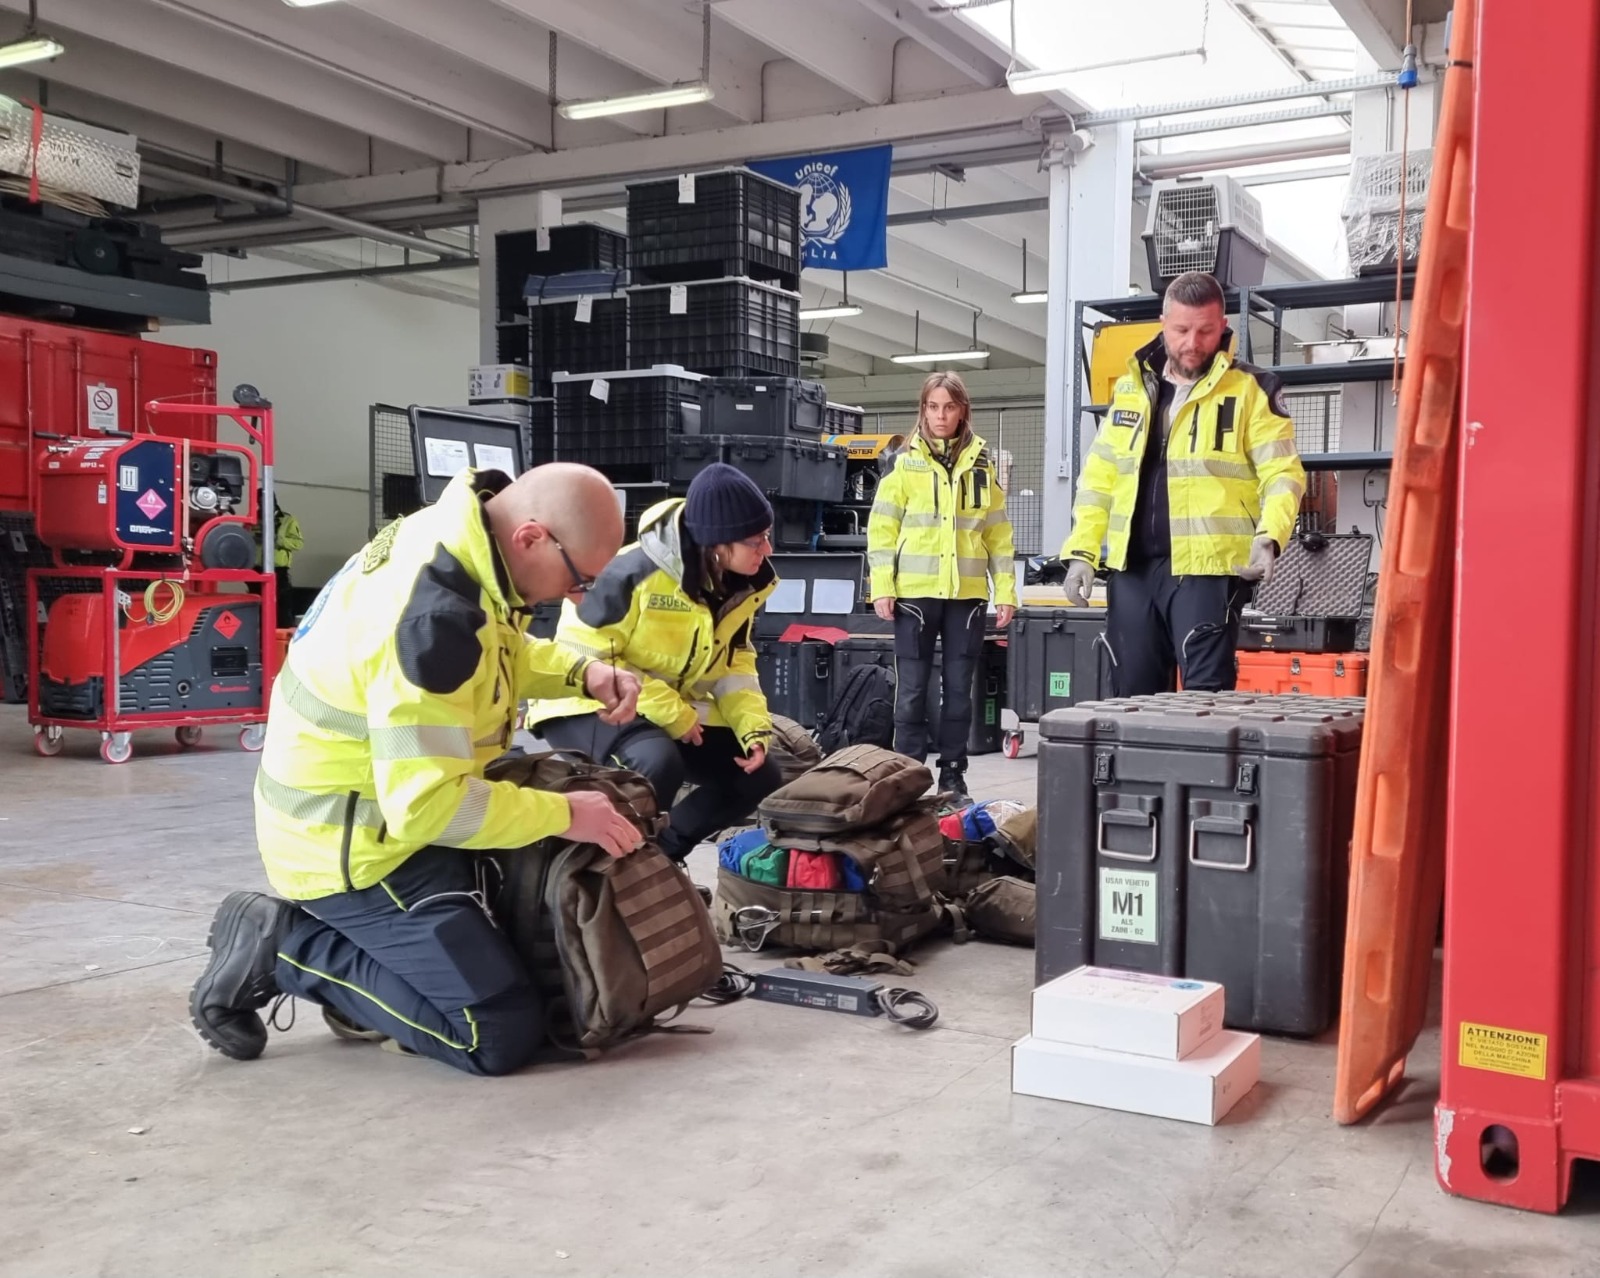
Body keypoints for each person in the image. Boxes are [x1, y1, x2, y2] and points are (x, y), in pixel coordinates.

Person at [189, 463, 645, 1077]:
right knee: (498, 1032)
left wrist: (578, 672)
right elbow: (429, 806)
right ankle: (285, 947)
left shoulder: (463, 542)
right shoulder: (434, 619)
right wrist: (564, 814)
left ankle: (379, 986)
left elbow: (496, 648)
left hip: (386, 817)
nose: (576, 597)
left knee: (544, 973)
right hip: (357, 852)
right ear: (532, 536)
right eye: (578, 579)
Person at [1060, 271, 1306, 696]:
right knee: (1131, 698)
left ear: (1223, 327)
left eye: (1206, 331)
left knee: (1205, 701)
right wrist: (1081, 552)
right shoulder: (1131, 389)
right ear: (1162, 323)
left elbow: (1282, 473)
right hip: (1132, 569)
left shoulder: (1253, 390)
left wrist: (1270, 537)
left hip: (1207, 572)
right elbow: (1099, 478)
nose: (1193, 342)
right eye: (1182, 330)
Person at [532, 464, 783, 863]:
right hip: (582, 698)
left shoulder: (742, 586)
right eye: (756, 541)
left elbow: (735, 666)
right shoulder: (631, 572)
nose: (767, 550)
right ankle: (599, 871)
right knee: (655, 762)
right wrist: (673, 713)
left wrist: (752, 727)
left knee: (760, 774)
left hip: (662, 705)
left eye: (766, 537)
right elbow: (586, 654)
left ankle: (658, 860)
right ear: (718, 543)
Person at [867, 372, 1017, 801]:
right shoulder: (903, 462)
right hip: (914, 595)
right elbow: (882, 528)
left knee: (958, 691)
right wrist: (882, 584)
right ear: (923, 409)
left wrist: (1005, 590)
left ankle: (953, 774)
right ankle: (909, 775)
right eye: (933, 407)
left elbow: (998, 535)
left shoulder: (983, 465)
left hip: (966, 597)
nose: (940, 415)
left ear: (962, 410)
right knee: (912, 691)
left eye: (949, 407)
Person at [270, 496, 303, 628]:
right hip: (256, 568)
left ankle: (281, 631)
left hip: (279, 569)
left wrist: (279, 540)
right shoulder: (254, 520)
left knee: (282, 603)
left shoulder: (287, 520)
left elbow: (298, 544)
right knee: (257, 604)